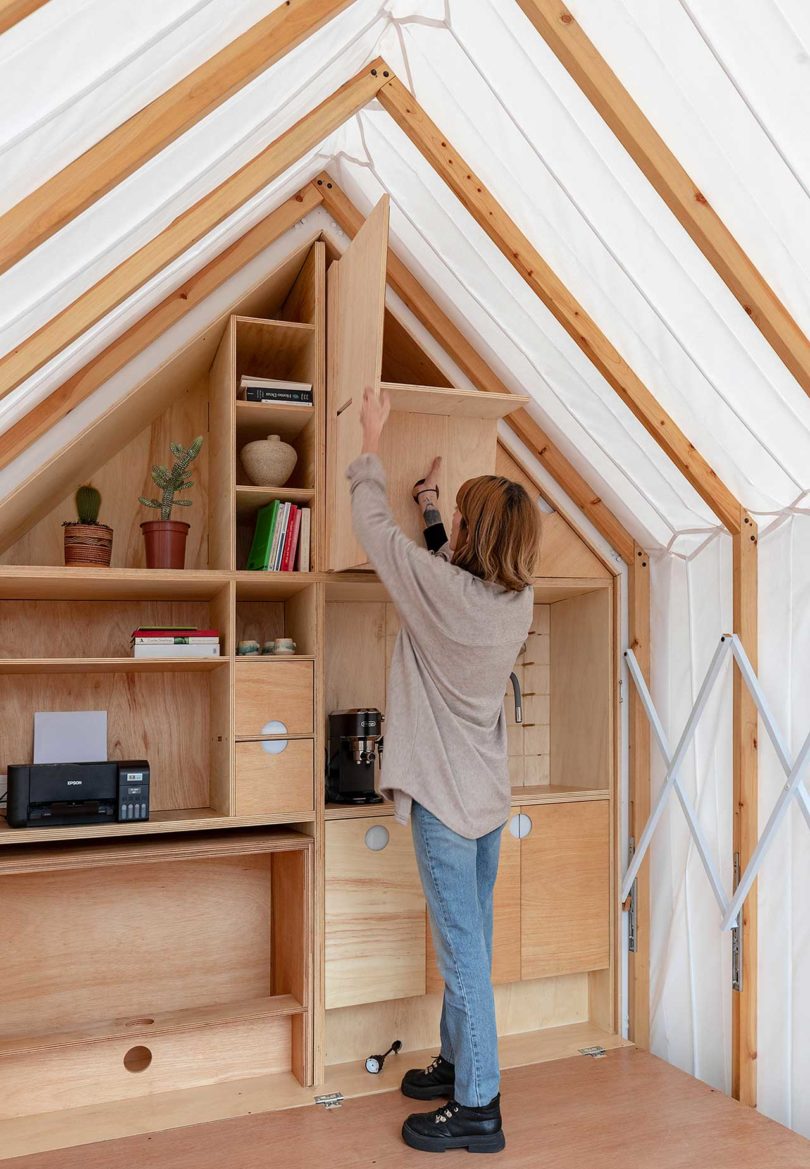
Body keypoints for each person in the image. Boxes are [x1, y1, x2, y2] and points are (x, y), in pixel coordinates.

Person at [347, 388, 541, 1155]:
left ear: (474, 532)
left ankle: (478, 1109)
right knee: (474, 948)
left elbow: (374, 532)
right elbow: (443, 570)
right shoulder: (513, 602)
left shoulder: (444, 592)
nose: (449, 524)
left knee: (464, 962)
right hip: (487, 804)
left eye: (460, 516)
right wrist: (433, 504)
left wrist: (370, 437)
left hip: (445, 806)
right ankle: (461, 1063)